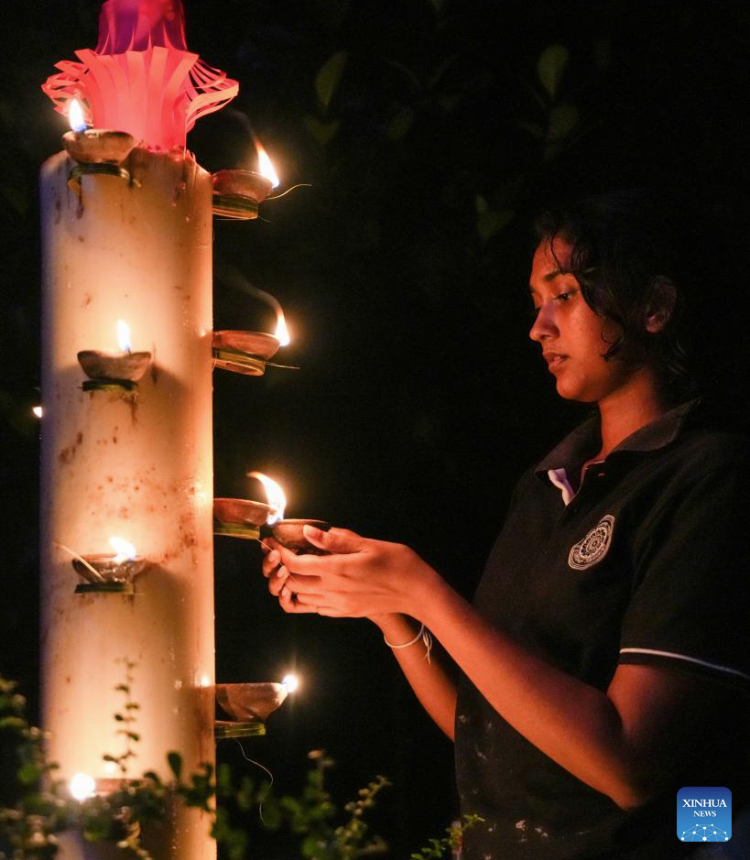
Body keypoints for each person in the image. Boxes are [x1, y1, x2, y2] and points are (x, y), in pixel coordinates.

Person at [261, 191, 750, 859]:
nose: (538, 327)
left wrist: (423, 589)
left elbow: (628, 766)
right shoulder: (548, 485)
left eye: (567, 295)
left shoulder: (705, 476)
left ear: (653, 307)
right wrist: (391, 612)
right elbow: (487, 727)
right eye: (536, 303)